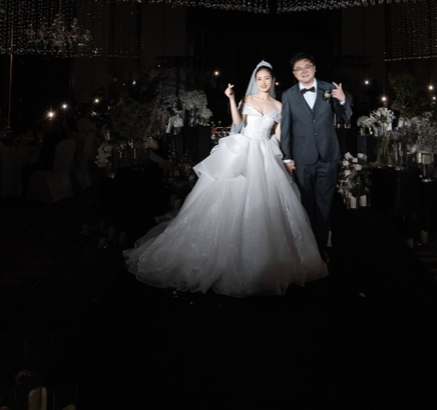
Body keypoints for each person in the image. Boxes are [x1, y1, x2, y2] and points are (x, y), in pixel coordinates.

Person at [126, 61, 327, 296]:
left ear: (273, 81)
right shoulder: (247, 99)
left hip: (266, 154)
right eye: (259, 78)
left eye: (267, 78)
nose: (263, 82)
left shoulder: (279, 105)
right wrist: (231, 98)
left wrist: (291, 156)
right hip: (244, 151)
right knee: (231, 198)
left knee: (269, 203)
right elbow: (238, 123)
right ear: (255, 81)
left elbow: (280, 134)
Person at [279, 52, 352, 257]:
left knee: (325, 203)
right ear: (294, 73)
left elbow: (345, 117)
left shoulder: (329, 88)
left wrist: (343, 100)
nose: (303, 71)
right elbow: (286, 128)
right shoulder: (288, 95)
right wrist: (287, 157)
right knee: (305, 203)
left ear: (314, 68)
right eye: (298, 69)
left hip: (328, 156)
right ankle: (306, 248)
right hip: (302, 158)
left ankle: (320, 249)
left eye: (307, 66)